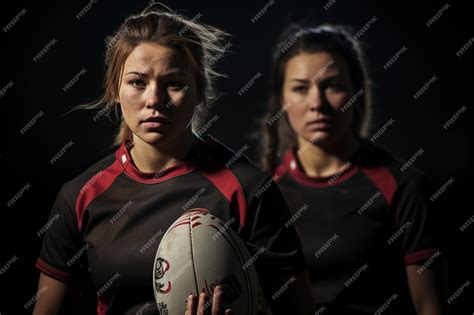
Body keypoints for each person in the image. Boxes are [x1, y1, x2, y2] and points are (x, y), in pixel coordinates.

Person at [33, 4, 313, 315]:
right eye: (138, 82)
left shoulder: (248, 190)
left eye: (174, 83)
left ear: (199, 92)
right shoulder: (80, 196)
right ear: (115, 90)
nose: (154, 100)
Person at [260, 24, 446, 315]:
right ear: (282, 100)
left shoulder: (402, 185)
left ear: (356, 92)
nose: (317, 103)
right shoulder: (263, 190)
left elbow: (430, 307)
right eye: (300, 88)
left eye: (332, 86)